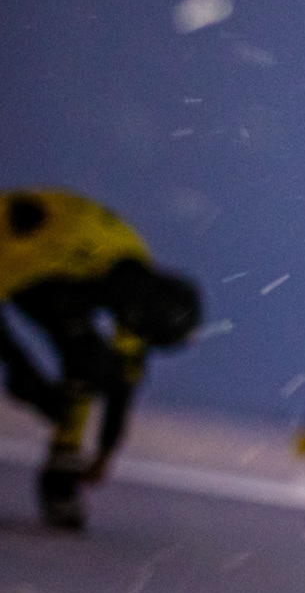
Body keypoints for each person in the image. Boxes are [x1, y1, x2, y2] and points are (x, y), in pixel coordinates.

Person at [0, 189, 200, 530]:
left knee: (89, 366)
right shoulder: (58, 241)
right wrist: (20, 369)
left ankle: (60, 471)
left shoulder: (133, 286)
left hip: (58, 271)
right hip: (32, 259)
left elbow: (124, 380)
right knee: (81, 364)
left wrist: (105, 451)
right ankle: (59, 462)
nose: (129, 331)